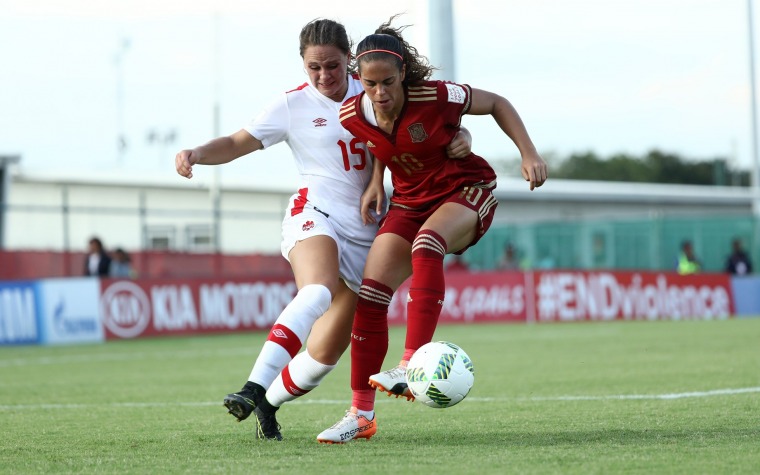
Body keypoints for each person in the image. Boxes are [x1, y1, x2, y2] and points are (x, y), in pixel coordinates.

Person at [174, 19, 472, 442]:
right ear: (303, 64)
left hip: (367, 230)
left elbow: (421, 130)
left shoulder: (374, 85)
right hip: (315, 213)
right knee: (315, 290)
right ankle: (252, 387)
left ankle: (268, 404)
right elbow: (239, 142)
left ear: (348, 59)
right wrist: (196, 153)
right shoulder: (291, 105)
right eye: (314, 67)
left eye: (332, 66)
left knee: (325, 353)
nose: (323, 76)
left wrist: (461, 136)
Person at [317, 17, 547, 443]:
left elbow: (497, 102)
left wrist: (527, 152)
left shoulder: (437, 95)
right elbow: (385, 146)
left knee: (428, 244)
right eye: (370, 84)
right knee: (370, 295)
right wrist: (374, 183)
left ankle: (410, 363)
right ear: (358, 79)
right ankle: (360, 416)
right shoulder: (351, 114)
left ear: (403, 72)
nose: (380, 93)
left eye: (388, 81)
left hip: (465, 190)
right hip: (407, 201)